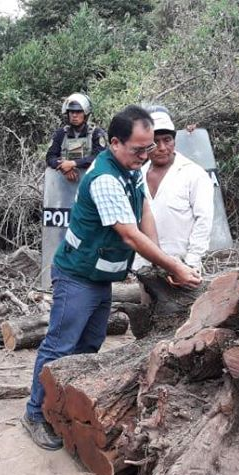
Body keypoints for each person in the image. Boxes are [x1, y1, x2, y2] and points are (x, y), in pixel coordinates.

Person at [22, 105, 202, 450]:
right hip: (76, 276)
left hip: (99, 277)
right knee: (60, 345)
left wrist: (160, 260)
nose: (145, 155)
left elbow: (144, 209)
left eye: (149, 147)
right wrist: (174, 267)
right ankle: (34, 413)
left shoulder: (131, 169)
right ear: (115, 143)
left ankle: (64, 409)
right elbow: (130, 235)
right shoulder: (104, 178)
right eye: (138, 149)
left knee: (90, 346)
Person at [132, 107, 214, 272]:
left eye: (167, 140)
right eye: (155, 141)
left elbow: (203, 221)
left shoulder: (193, 174)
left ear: (174, 141)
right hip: (144, 268)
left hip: (183, 267)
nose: (162, 147)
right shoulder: (136, 175)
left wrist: (191, 261)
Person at [45, 93, 107, 182]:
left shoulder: (96, 133)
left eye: (78, 112)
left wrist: (73, 164)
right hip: (64, 185)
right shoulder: (60, 133)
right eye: (71, 111)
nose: (74, 115)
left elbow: (100, 157)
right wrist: (64, 167)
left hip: (90, 182)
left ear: (85, 114)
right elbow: (50, 157)